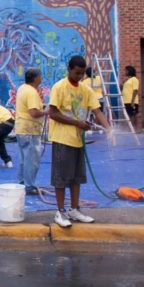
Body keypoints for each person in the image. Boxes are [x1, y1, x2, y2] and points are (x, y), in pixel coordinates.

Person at [48, 55, 114, 228]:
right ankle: (60, 211)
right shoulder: (59, 87)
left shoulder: (86, 90)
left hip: (78, 140)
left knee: (76, 178)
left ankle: (74, 209)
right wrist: (78, 123)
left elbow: (97, 111)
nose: (79, 77)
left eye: (82, 74)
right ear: (69, 69)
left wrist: (108, 129)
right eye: (77, 73)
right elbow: (53, 113)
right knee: (61, 177)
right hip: (62, 139)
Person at [15, 68, 47, 195]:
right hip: (30, 129)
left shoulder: (22, 88)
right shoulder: (32, 92)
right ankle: (29, 186)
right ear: (36, 78)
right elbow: (33, 112)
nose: (41, 78)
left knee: (25, 158)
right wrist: (46, 111)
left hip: (22, 128)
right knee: (32, 159)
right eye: (40, 76)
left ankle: (22, 182)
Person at [123, 65, 140, 131]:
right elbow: (122, 88)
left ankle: (135, 129)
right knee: (129, 115)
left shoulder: (134, 79)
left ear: (129, 71)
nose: (125, 72)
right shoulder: (127, 80)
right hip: (126, 101)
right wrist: (124, 82)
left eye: (126, 70)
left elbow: (135, 90)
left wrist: (132, 101)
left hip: (132, 101)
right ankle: (131, 129)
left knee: (133, 115)